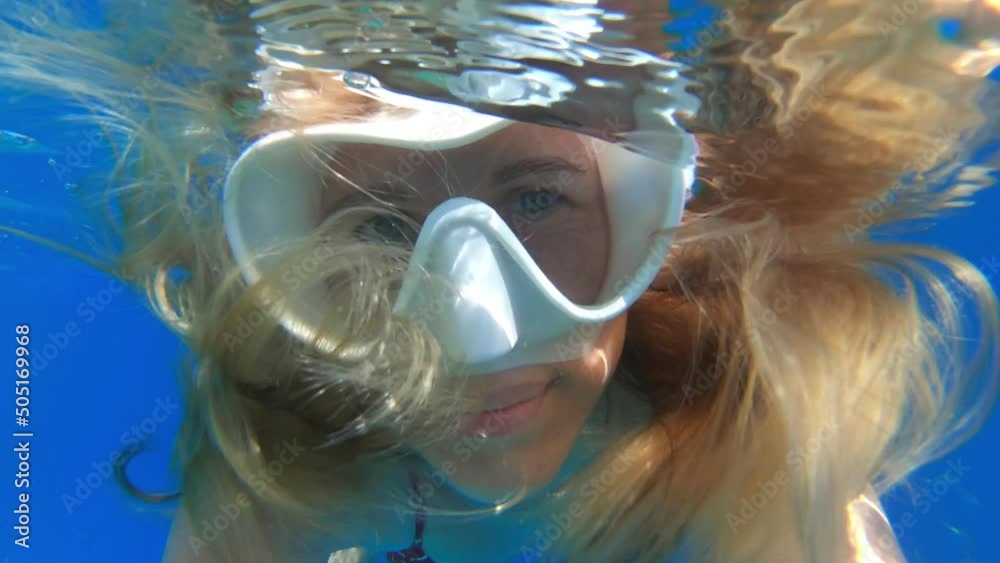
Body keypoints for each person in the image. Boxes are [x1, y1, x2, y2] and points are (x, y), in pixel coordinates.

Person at [1, 2, 997, 563]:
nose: (473, 328)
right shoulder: (307, 444)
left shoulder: (729, 435)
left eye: (536, 201)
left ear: (648, 212)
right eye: (384, 226)